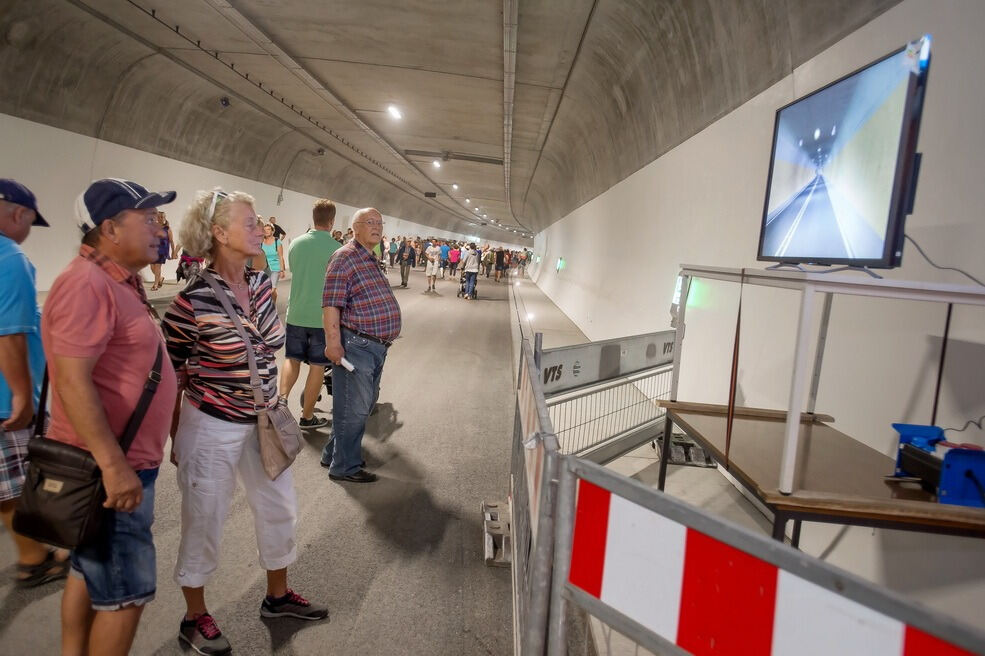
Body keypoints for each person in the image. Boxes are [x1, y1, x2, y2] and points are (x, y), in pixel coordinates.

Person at [162, 189, 327, 655]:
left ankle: (278, 597)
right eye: (251, 223)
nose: (262, 230)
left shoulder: (260, 284)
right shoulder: (190, 303)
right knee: (205, 518)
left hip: (262, 419)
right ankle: (194, 617)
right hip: (210, 423)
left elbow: (270, 342)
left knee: (279, 508)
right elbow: (172, 374)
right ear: (218, 233)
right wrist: (176, 435)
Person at [42, 178, 179, 656]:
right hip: (108, 469)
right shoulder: (87, 284)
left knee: (88, 571)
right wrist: (113, 465)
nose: (159, 228)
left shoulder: (118, 279)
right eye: (148, 218)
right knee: (125, 596)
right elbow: (73, 383)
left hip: (117, 461)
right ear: (109, 229)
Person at [0, 180, 71, 589]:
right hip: (5, 397)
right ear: (18, 214)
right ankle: (33, 559)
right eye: (30, 221)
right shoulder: (10, 258)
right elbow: (8, 334)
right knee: (19, 482)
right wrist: (22, 396)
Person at [320, 208, 401, 483]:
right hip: (356, 345)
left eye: (380, 222)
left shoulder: (369, 256)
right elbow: (331, 304)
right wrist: (333, 343)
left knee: (359, 405)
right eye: (370, 222)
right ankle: (344, 466)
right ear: (354, 228)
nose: (376, 227)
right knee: (354, 408)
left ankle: (333, 453)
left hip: (374, 346)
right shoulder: (344, 258)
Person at [280, 199, 339, 429]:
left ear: (313, 218)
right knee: (317, 366)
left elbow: (296, 271)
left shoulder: (296, 243)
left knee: (291, 360)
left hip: (296, 313)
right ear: (332, 221)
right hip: (322, 318)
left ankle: (281, 404)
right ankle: (306, 417)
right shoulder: (336, 249)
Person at [149, 210, 175, 291]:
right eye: (159, 217)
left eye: (162, 217)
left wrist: (173, 252)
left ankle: (155, 285)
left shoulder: (167, 228)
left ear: (164, 218)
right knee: (152, 267)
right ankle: (160, 278)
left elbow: (171, 241)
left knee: (157, 267)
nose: (161, 218)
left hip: (162, 250)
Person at [261, 223, 285, 303]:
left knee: (272, 289)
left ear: (272, 231)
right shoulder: (261, 242)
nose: (266, 231)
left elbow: (280, 256)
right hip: (264, 268)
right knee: (266, 290)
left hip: (275, 268)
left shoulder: (277, 241)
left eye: (268, 229)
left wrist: (282, 270)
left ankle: (273, 305)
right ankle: (270, 305)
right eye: (264, 230)